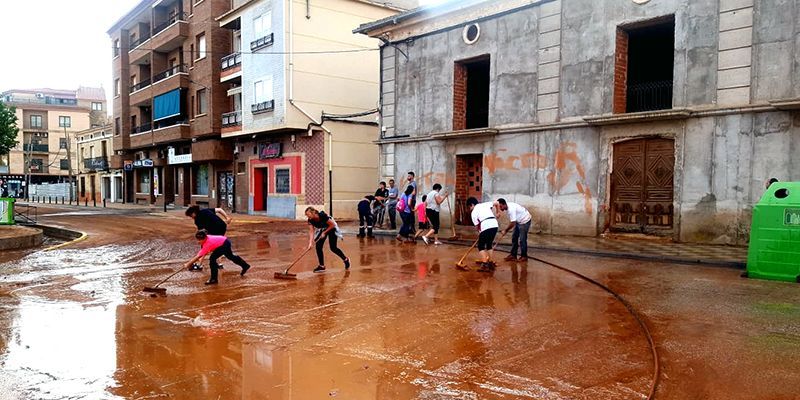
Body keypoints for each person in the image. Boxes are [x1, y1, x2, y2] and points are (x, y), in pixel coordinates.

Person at [183, 229, 251, 285]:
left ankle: (213, 279)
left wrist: (188, 264)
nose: (198, 242)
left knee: (212, 259)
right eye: (197, 240)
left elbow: (198, 256)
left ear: (205, 238)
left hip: (224, 244)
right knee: (230, 256)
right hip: (224, 241)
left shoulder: (207, 243)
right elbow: (202, 253)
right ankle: (245, 265)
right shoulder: (206, 238)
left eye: (200, 240)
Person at [306, 207, 350, 273]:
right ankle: (322, 266)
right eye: (306, 215)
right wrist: (310, 243)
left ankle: (345, 259)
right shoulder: (310, 220)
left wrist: (324, 232)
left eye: (308, 214)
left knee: (333, 248)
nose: (307, 216)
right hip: (322, 229)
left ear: (313, 213)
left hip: (331, 228)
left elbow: (332, 225)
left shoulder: (322, 216)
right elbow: (311, 231)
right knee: (318, 247)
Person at [468, 197, 499, 272]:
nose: (470, 209)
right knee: (489, 244)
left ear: (472, 204)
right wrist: (498, 212)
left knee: (481, 246)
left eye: (469, 207)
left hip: (486, 225)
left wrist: (480, 233)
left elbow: (477, 226)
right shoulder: (485, 204)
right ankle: (490, 263)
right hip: (494, 225)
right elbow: (497, 203)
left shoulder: (474, 212)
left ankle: (485, 264)